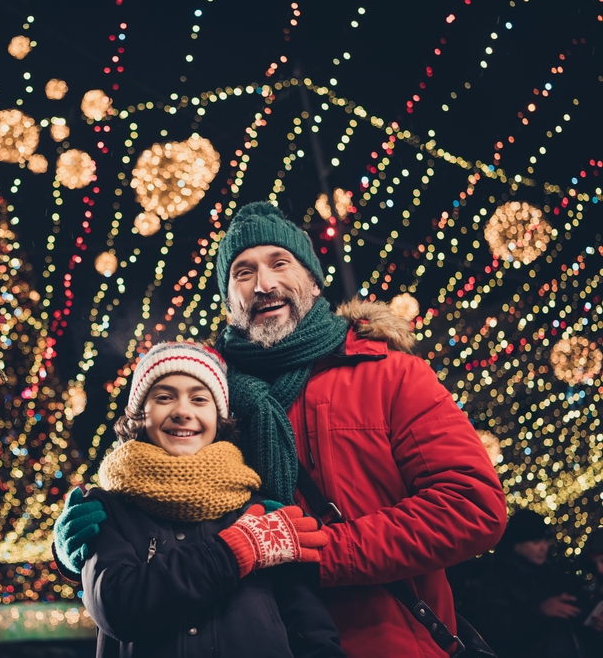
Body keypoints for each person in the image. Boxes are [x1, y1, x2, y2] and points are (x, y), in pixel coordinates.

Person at [54, 201, 507, 657]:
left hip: (385, 640)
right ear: (230, 296)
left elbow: (471, 505)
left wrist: (317, 551)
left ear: (312, 280)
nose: (263, 283)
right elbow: (160, 505)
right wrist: (84, 551)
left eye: (279, 263)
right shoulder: (206, 392)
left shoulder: (390, 374)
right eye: (243, 272)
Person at [80, 341, 345, 657]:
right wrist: (235, 551)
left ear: (220, 418)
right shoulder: (105, 507)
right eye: (164, 397)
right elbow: (117, 608)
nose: (182, 411)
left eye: (199, 399)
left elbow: (309, 626)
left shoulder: (259, 510)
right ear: (139, 414)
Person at [473, 509, 590, 657]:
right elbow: (491, 626)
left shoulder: (552, 574)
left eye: (545, 541)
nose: (544, 548)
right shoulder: (496, 579)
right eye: (536, 542)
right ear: (517, 544)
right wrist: (538, 611)